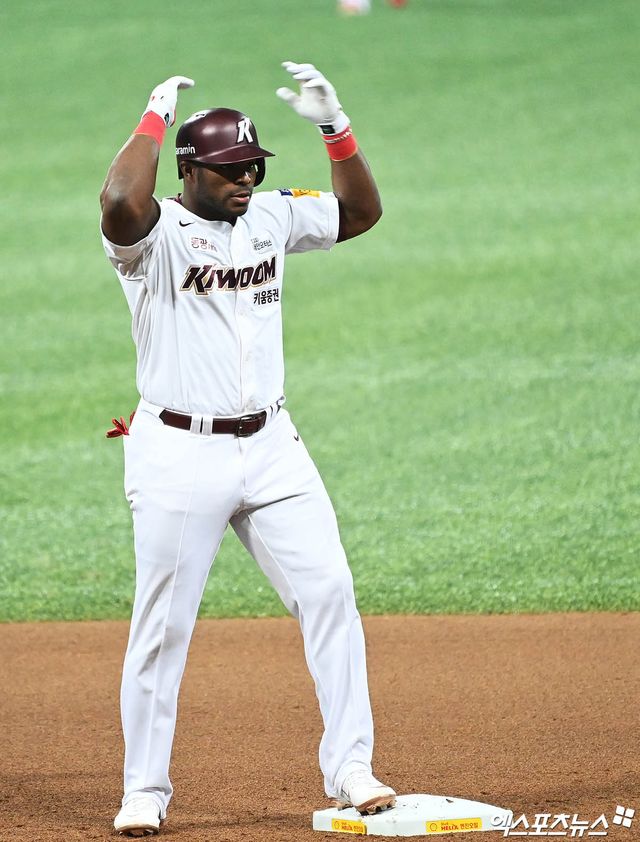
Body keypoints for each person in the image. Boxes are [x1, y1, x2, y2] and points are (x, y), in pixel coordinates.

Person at [100, 61, 396, 837]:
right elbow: (119, 201)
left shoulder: (270, 216)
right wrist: (154, 119)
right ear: (188, 170)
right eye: (230, 169)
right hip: (178, 452)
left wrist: (335, 127)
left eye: (253, 167)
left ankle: (351, 768)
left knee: (329, 592)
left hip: (273, 447)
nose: (246, 180)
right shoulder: (152, 238)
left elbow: (360, 213)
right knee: (163, 629)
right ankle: (144, 790)